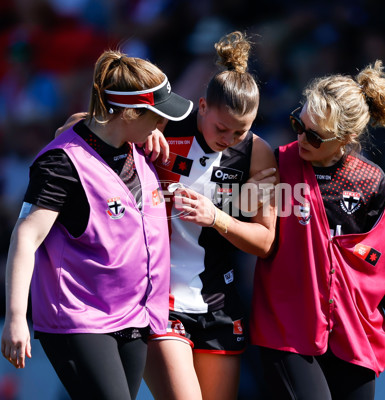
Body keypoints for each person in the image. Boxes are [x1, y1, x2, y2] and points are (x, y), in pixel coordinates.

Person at [0, 49, 193, 400]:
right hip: (80, 318)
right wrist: (15, 316)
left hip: (136, 316)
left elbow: (93, 122)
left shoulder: (135, 143)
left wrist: (143, 131)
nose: (164, 125)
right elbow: (26, 236)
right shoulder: (60, 164)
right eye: (158, 117)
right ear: (130, 113)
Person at [249, 60, 385, 399]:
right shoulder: (275, 165)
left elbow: (384, 260)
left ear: (348, 138)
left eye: (314, 135)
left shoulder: (372, 183)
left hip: (355, 334)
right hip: (287, 330)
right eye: (298, 124)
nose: (302, 137)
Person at [142, 31, 278, 400]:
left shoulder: (257, 153)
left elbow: (265, 242)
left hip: (218, 302)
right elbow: (91, 123)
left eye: (241, 131)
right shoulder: (166, 123)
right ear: (201, 106)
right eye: (222, 128)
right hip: (159, 296)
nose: (230, 138)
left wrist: (216, 217)